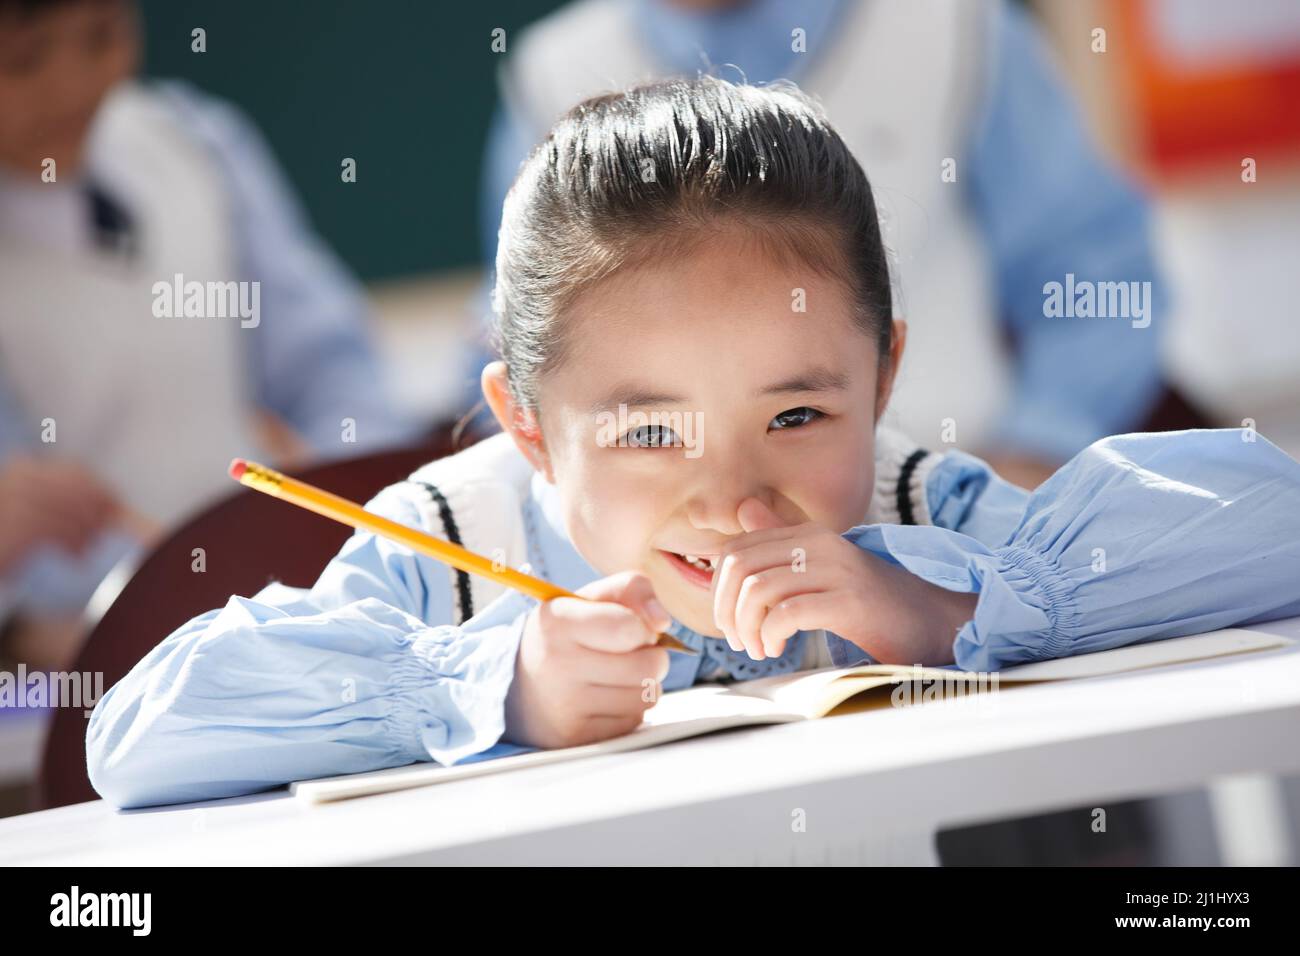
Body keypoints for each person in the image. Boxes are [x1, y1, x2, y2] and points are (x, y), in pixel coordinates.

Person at [87, 76, 1300, 809]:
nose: (732, 497)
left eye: (794, 415)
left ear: (881, 377)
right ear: (527, 425)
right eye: (651, 430)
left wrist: (947, 609)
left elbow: (1277, 528)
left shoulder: (917, 513)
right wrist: (491, 683)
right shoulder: (443, 549)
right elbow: (134, 738)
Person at [474, 0, 1170, 490]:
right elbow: (525, 325)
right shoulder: (549, 70)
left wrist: (1037, 450)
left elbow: (1095, 273)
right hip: (670, 565)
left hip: (965, 493)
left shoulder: (955, 26)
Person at [0, 0, 417, 667]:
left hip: (276, 597)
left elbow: (330, 369)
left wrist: (343, 510)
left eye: (104, 36)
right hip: (86, 653)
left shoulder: (197, 143)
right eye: (24, 60)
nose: (71, 84)